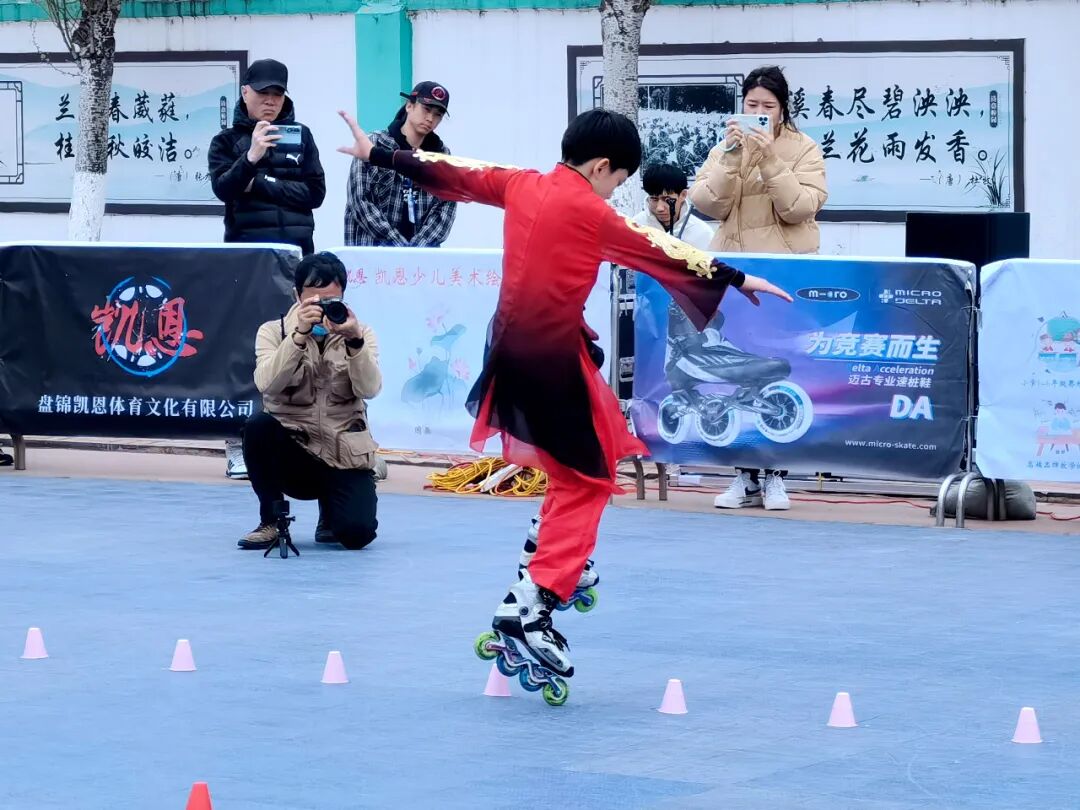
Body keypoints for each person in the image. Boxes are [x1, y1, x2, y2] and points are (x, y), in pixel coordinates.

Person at [337, 107, 791, 687]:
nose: (616, 192)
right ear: (601, 166)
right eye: (618, 180)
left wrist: (380, 154)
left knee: (590, 451)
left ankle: (549, 551)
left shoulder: (521, 184)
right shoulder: (592, 212)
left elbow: (457, 172)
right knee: (591, 479)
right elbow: (658, 249)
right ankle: (535, 601)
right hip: (549, 359)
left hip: (516, 349)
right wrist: (736, 278)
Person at [689, 65, 828, 512]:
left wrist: (769, 159)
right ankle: (744, 476)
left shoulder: (804, 149)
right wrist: (731, 157)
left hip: (783, 272)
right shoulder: (726, 147)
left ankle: (776, 477)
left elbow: (800, 208)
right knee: (736, 368)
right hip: (735, 271)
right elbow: (705, 204)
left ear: (783, 109)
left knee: (778, 365)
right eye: (752, 105)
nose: (759, 113)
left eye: (768, 106)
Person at [208, 58, 327, 481]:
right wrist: (252, 157)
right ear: (245, 92)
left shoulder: (302, 136)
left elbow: (315, 194)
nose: (270, 101)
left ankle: (308, 440)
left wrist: (261, 184)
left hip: (296, 258)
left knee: (303, 342)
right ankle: (238, 444)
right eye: (263, 94)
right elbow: (224, 188)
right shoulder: (226, 141)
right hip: (246, 258)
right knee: (245, 348)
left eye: (277, 94)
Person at [237, 251, 382, 551]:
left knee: (356, 535)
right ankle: (270, 521)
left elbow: (370, 389)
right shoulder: (273, 331)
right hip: (295, 453)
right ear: (296, 295)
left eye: (331, 300)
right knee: (258, 426)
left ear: (343, 297)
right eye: (314, 301)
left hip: (342, 453)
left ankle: (331, 513)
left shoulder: (361, 333)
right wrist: (298, 336)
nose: (322, 308)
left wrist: (354, 342)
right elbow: (266, 384)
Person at [344, 81, 457, 247]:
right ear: (409, 105)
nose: (430, 118)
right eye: (426, 109)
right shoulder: (374, 144)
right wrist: (399, 247)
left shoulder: (442, 156)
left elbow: (445, 210)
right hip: (371, 253)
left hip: (420, 258)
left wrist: (416, 250)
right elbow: (360, 202)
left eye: (438, 114)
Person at [632, 163, 715, 250]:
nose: (660, 208)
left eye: (667, 199)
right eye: (654, 199)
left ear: (683, 195)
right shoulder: (635, 227)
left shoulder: (701, 233)